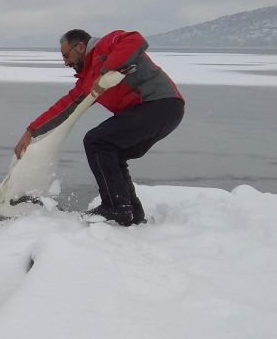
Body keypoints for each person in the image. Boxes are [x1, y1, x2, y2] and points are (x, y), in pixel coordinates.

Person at [13, 28, 184, 226]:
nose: (66, 62)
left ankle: (115, 206)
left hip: (161, 104)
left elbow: (135, 40)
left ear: (80, 46)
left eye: (66, 55)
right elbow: (64, 108)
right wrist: (31, 131)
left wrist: (104, 72)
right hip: (157, 112)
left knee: (96, 141)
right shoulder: (87, 81)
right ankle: (131, 211)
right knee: (113, 152)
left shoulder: (105, 45)